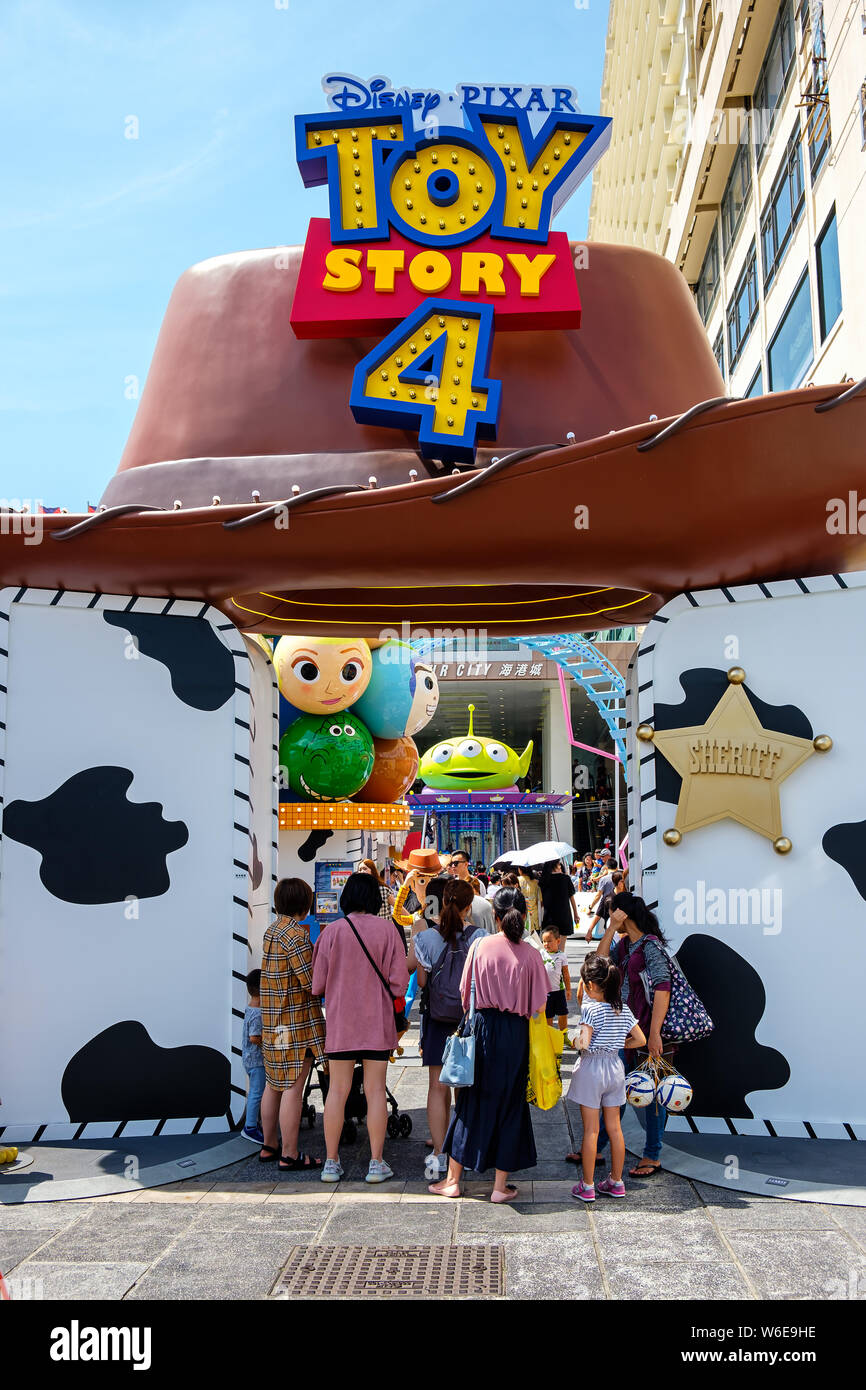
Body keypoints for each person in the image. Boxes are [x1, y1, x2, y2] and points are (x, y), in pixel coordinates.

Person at [428, 886, 549, 1203]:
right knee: (511, 1105)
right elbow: (538, 1006)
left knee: (470, 1103)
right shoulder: (532, 954)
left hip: (481, 1027)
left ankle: (453, 1181)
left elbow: (465, 995)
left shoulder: (480, 947)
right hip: (515, 1033)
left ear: (495, 916)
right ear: (523, 916)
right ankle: (499, 1187)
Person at [311, 871, 409, 1184]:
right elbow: (398, 984)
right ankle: (376, 1163)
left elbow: (317, 985)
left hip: (341, 1024)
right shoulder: (387, 930)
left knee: (336, 1092)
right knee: (375, 1091)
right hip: (376, 1024)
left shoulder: (332, 932)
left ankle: (331, 1162)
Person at [407, 878, 485, 1179]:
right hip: (469, 1020)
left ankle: (439, 1154)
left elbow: (422, 982)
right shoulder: (480, 937)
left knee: (437, 1087)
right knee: (465, 1087)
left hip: (437, 1019)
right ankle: (464, 1152)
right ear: (469, 907)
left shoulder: (426, 938)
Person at [592, 893, 673, 1178]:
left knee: (651, 1093)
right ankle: (597, 1146)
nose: (609, 918)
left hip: (647, 1031)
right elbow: (600, 964)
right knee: (614, 1089)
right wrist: (612, 929)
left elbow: (664, 988)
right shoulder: (626, 944)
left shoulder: (650, 946)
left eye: (613, 914)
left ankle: (652, 1154)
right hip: (625, 1031)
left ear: (623, 914)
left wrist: (654, 1035)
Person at [259, 878, 326, 1172]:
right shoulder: (296, 936)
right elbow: (311, 983)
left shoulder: (271, 931)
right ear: (304, 903)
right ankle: (290, 1154)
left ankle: (269, 1145)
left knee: (273, 1084)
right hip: (294, 1022)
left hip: (272, 1021)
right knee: (293, 1088)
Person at [567, 953, 645, 1201]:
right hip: (615, 1066)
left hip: (592, 1069)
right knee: (615, 1128)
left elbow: (584, 1043)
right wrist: (617, 1042)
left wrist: (573, 1039)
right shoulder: (622, 1008)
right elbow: (640, 1039)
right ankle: (616, 1181)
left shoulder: (590, 1010)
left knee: (591, 1130)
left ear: (590, 985)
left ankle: (587, 1185)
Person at [241, 969, 265, 1144]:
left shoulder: (250, 1008)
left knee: (255, 1093)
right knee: (256, 1093)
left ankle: (253, 1122)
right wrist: (269, 1043)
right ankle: (250, 1127)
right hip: (257, 1060)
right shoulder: (257, 1013)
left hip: (248, 1058)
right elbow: (254, 1037)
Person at [540, 926, 571, 1031]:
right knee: (548, 1015)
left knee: (563, 1014)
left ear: (558, 941)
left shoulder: (562, 956)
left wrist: (568, 989)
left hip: (559, 990)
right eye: (544, 941)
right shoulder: (541, 954)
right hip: (546, 992)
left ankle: (564, 1034)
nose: (546, 944)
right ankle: (550, 1036)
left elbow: (566, 974)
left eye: (549, 941)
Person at [539, 860, 579, 937]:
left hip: (549, 916)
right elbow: (571, 898)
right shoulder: (566, 878)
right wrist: (575, 914)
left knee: (550, 944)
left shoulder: (543, 880)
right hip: (564, 915)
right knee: (561, 946)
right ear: (557, 865)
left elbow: (541, 901)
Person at [585, 868, 625, 942]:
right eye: (622, 881)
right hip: (612, 932)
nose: (624, 883)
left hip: (626, 933)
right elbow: (598, 914)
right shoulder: (608, 898)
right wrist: (589, 931)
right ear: (616, 882)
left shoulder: (628, 897)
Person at [517, 865, 543, 939]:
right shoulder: (536, 883)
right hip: (534, 917)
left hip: (520, 916)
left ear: (520, 870)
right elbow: (540, 901)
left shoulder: (517, 880)